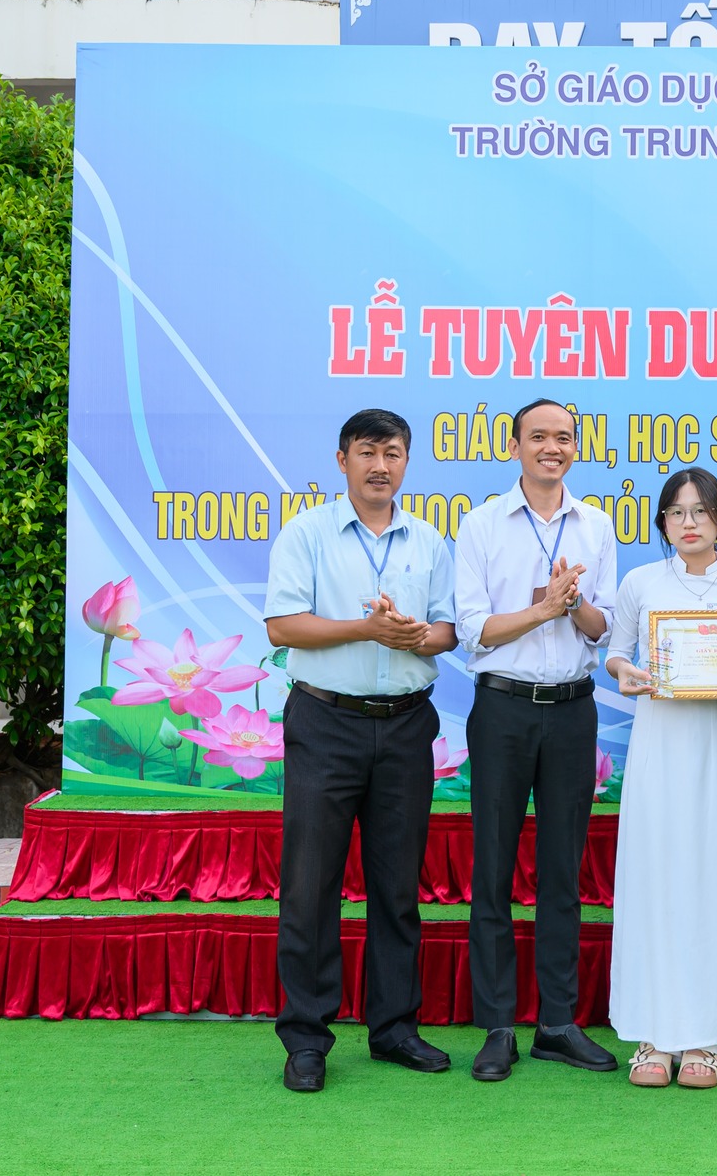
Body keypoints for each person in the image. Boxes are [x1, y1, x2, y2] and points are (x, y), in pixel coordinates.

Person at [264, 408, 458, 1093]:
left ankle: (394, 1027)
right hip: (326, 722)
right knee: (310, 884)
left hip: (405, 725)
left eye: (393, 452)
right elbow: (284, 625)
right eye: (368, 451)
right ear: (342, 459)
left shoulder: (428, 540)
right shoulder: (307, 533)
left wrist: (413, 636)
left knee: (397, 886)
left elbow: (447, 630)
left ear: (407, 462)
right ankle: (306, 1037)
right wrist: (366, 629)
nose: (381, 465)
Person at [454, 398, 619, 1082]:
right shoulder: (481, 523)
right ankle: (498, 1026)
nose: (553, 447)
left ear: (575, 447)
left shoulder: (597, 525)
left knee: (561, 872)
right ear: (515, 445)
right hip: (503, 709)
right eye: (539, 437)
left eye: (564, 438)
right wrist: (542, 608)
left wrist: (572, 605)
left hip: (573, 711)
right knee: (493, 869)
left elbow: (604, 627)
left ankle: (557, 1023)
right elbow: (474, 631)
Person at [604, 468, 717, 1090]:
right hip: (658, 742)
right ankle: (653, 1032)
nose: (689, 522)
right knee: (655, 879)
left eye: (701, 511)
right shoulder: (641, 582)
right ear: (663, 523)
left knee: (711, 880)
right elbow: (616, 654)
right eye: (676, 512)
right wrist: (624, 670)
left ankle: (704, 1037)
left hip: (716, 746)